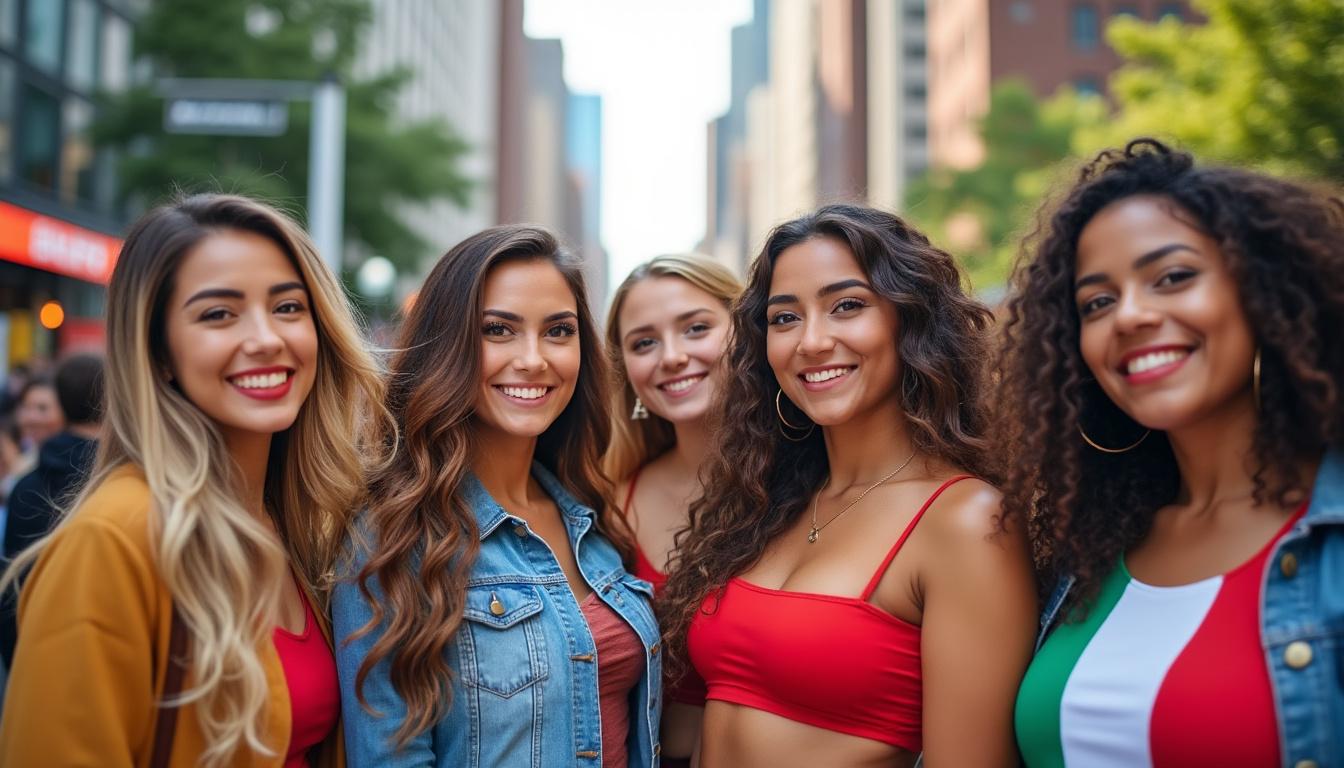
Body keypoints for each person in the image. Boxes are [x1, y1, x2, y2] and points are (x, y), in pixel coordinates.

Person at [0, 193, 388, 768]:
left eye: (287, 307)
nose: (265, 338)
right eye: (218, 314)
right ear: (158, 352)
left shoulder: (303, 526)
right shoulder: (114, 540)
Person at [1001, 139, 1344, 766]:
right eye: (1097, 303)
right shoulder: (1084, 552)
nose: (1129, 316)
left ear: (1264, 292)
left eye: (1173, 277)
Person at [660, 203, 1037, 767]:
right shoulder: (768, 501)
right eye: (785, 318)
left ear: (909, 321)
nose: (810, 341)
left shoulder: (965, 520)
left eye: (847, 306)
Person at [333, 225, 662, 768]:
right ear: (449, 345)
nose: (534, 359)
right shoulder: (392, 537)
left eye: (558, 331)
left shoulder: (590, 517)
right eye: (498, 330)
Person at [603, 254, 742, 766]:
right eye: (644, 342)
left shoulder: (815, 485)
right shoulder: (610, 502)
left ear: (744, 330)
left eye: (696, 328)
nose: (672, 356)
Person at [0, 353, 105, 668]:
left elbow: (12, 585)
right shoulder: (122, 482)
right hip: (98, 657)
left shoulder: (26, 485)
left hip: (33, 653)